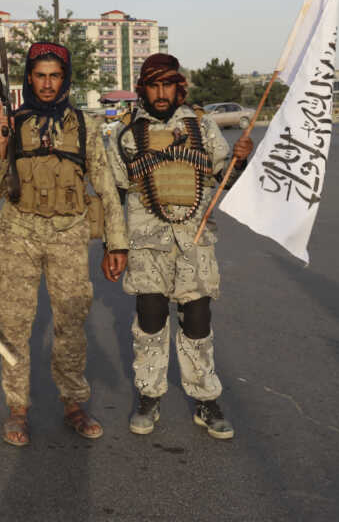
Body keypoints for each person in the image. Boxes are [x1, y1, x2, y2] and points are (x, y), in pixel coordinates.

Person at [0, 41, 128, 447]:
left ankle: (73, 403)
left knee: (70, 324)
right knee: (14, 325)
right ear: (29, 79)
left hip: (69, 234)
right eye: (40, 76)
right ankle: (18, 408)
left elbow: (105, 186)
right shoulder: (15, 122)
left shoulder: (84, 126)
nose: (47, 85)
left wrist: (116, 244)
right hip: (18, 234)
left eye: (55, 76)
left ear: (65, 80)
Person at [104, 54, 252, 439]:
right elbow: (113, 196)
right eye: (153, 86)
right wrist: (114, 245)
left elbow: (226, 177)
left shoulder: (201, 126)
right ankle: (149, 395)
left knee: (198, 321)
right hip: (146, 241)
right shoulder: (125, 133)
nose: (161, 93)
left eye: (167, 85)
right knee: (150, 318)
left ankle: (205, 398)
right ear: (143, 89)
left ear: (178, 87)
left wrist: (240, 160)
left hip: (195, 238)